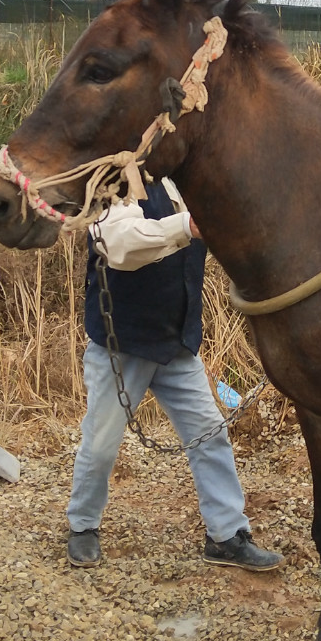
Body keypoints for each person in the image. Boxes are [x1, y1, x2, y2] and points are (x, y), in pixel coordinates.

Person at [67, 175, 282, 572]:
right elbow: (122, 245)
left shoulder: (186, 182)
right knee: (100, 447)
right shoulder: (112, 181)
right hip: (122, 345)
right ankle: (83, 526)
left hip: (177, 344)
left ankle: (225, 535)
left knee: (211, 435)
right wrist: (186, 226)